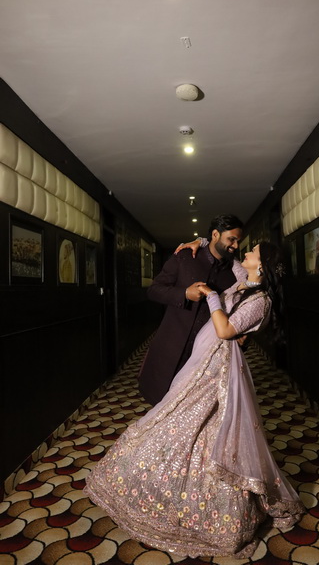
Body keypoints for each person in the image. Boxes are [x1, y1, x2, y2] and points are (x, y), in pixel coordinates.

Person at [84, 240, 305, 559]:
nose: (245, 252)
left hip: (218, 369)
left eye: (252, 251)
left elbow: (225, 330)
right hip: (202, 361)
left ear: (262, 264)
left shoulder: (261, 301)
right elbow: (229, 256)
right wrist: (201, 241)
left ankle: (214, 507)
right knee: (186, 419)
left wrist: (213, 296)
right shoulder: (244, 281)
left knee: (201, 422)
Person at [139, 214, 243, 405]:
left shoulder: (235, 274)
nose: (236, 246)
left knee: (194, 408)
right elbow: (154, 290)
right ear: (215, 235)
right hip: (171, 346)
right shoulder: (185, 257)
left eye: (238, 241)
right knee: (160, 401)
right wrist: (184, 293)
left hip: (206, 355)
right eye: (231, 239)